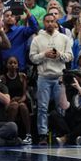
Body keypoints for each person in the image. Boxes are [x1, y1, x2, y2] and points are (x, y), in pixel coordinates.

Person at [29, 12, 75, 145]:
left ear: (56, 23)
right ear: (44, 23)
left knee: (60, 107)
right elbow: (32, 58)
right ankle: (43, 135)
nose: (50, 23)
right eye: (47, 21)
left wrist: (59, 55)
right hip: (43, 76)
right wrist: (44, 54)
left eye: (52, 21)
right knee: (42, 107)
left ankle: (60, 133)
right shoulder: (37, 39)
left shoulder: (63, 38)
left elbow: (70, 56)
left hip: (59, 76)